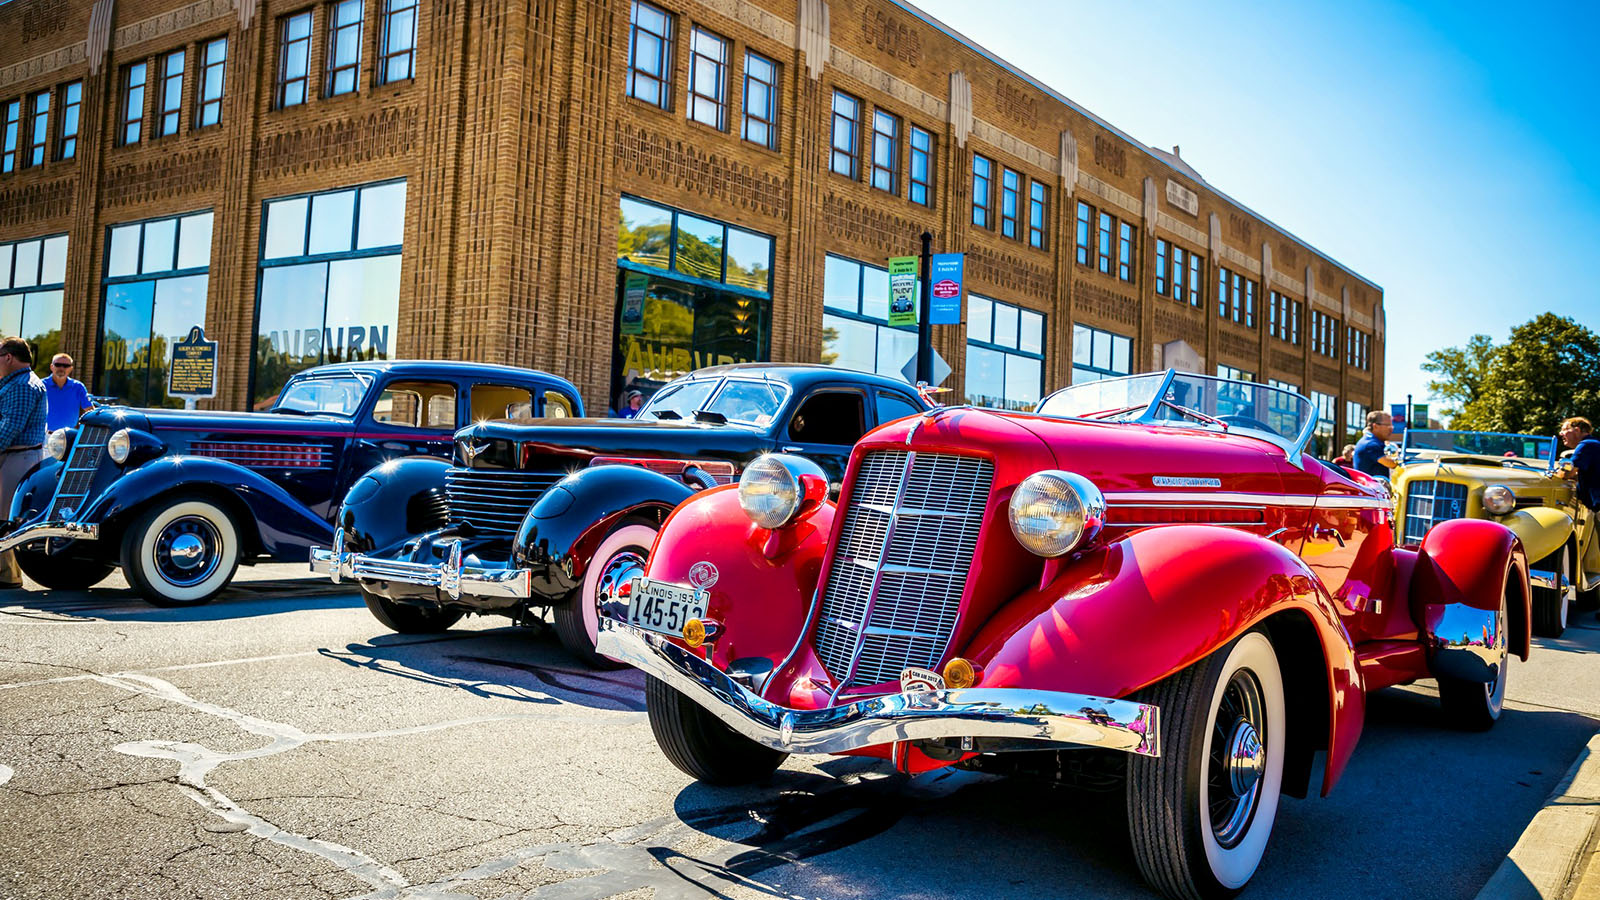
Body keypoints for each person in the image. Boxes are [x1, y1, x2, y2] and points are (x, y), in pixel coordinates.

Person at [0, 337, 48, 589]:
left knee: (5, 515)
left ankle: (7, 575)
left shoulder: (22, 385)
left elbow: (9, 428)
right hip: (13, 455)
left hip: (17, 456)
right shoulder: (15, 383)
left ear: (8, 357)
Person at [43, 353, 92, 433]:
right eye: (58, 365)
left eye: (66, 366)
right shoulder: (41, 386)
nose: (61, 368)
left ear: (71, 369)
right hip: (44, 437)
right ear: (51, 367)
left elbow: (89, 411)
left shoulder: (78, 387)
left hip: (69, 436)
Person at [1558, 417, 1599, 510]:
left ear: (1577, 430)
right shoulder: (1594, 444)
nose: (1560, 433)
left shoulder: (1586, 444)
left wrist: (1557, 473)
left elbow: (1567, 473)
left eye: (1564, 430)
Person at [1352, 410, 1398, 479]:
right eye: (1388, 425)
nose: (1391, 429)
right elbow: (1392, 464)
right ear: (1375, 426)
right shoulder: (1371, 444)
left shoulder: (1375, 441)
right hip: (1369, 488)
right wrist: (1395, 450)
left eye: (1391, 426)